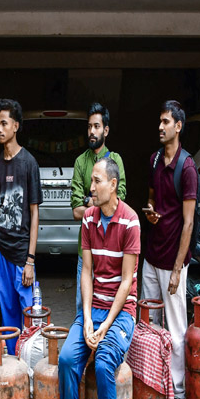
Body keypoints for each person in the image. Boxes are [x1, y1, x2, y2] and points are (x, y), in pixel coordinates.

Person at [48, 157, 138, 399]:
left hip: (121, 314)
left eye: (97, 180)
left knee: (103, 364)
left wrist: (105, 326)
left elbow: (127, 282)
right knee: (69, 361)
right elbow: (86, 272)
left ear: (113, 185)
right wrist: (85, 319)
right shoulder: (88, 217)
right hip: (92, 310)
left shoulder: (130, 222)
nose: (91, 187)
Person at [143, 100, 196, 399]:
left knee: (176, 330)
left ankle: (176, 393)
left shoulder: (187, 167)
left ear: (178, 126)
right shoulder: (153, 160)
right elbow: (151, 198)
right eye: (159, 121)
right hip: (151, 256)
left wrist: (178, 270)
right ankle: (153, 386)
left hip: (174, 260)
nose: (160, 127)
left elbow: (188, 222)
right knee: (150, 325)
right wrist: (150, 213)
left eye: (166, 122)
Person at [0, 98, 42, 355]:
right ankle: (10, 362)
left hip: (22, 251)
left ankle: (30, 360)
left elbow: (34, 213)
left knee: (29, 309)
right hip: (1, 248)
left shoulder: (28, 163)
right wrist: (5, 217)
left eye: (4, 123)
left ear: (16, 126)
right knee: (6, 307)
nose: (0, 129)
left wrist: (30, 259)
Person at [70, 102, 126, 310]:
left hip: (112, 249)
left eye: (96, 126)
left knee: (110, 305)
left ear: (106, 130)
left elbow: (119, 201)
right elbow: (76, 211)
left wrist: (89, 200)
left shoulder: (116, 161)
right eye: (89, 127)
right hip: (85, 248)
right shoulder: (80, 163)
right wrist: (101, 201)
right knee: (82, 306)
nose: (92, 132)